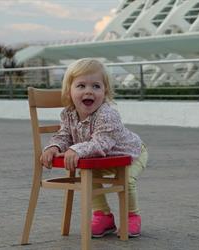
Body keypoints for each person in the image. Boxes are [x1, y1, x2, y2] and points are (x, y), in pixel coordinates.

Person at [40, 58, 148, 238]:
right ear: (69, 90)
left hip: (131, 154)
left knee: (127, 180)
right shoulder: (68, 113)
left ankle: (132, 216)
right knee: (89, 177)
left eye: (96, 86)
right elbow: (64, 135)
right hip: (101, 158)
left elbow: (101, 143)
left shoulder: (107, 114)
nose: (88, 91)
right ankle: (103, 216)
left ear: (105, 92)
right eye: (81, 86)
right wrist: (53, 146)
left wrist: (76, 149)